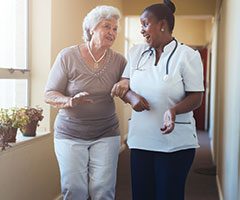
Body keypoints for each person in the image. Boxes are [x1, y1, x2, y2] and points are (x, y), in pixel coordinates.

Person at [111, 0, 204, 199]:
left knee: (168, 195)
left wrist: (174, 110)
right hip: (141, 141)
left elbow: (196, 97)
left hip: (175, 143)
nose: (142, 31)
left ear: (162, 25)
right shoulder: (136, 52)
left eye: (145, 24)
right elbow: (123, 85)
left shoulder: (188, 55)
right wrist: (131, 97)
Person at [44, 5, 127, 200]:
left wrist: (125, 81)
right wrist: (70, 101)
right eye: (107, 26)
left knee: (104, 190)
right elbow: (49, 93)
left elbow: (129, 84)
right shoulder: (68, 56)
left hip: (106, 132)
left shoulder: (119, 61)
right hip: (70, 133)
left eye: (115, 29)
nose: (112, 32)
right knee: (74, 190)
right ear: (91, 28)